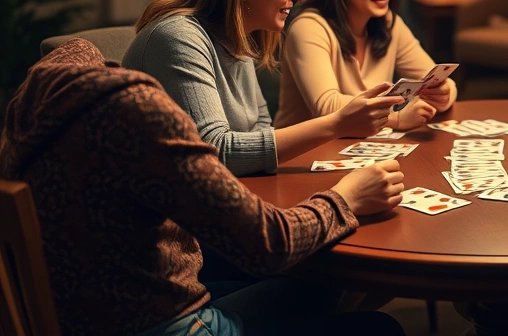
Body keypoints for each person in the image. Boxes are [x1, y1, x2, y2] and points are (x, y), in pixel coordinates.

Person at [0, 38, 406, 336]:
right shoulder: (140, 111)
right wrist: (346, 196)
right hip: (168, 326)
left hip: (92, 314)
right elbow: (267, 244)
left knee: (316, 285)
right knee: (380, 328)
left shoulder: (44, 101)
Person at [123, 0, 403, 177]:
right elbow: (213, 153)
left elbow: (259, 129)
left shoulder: (238, 35)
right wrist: (337, 123)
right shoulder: (177, 37)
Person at [275, 0, 456, 132]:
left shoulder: (389, 24)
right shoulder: (308, 28)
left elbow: (443, 81)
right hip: (303, 154)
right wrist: (395, 118)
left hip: (365, 147)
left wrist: (443, 95)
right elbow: (326, 107)